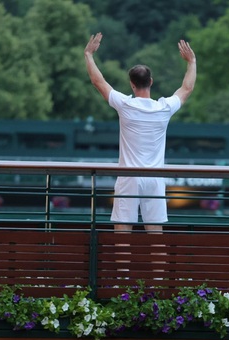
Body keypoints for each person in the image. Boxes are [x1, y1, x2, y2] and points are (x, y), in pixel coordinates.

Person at [84, 32, 196, 234]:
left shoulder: (125, 105)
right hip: (155, 178)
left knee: (122, 230)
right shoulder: (164, 108)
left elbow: (98, 82)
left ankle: (124, 268)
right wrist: (192, 62)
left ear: (131, 84)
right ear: (151, 82)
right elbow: (187, 88)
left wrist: (89, 55)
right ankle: (158, 268)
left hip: (129, 177)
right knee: (155, 232)